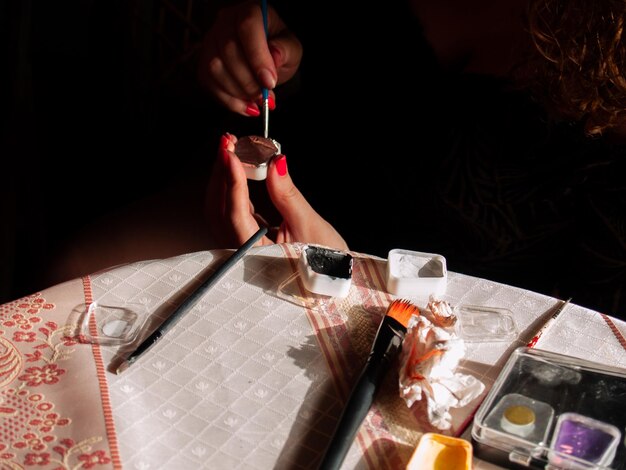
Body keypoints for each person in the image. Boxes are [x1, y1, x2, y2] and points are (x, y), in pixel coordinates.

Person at [199, 0, 626, 318]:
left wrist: (345, 283)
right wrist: (246, 38)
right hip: (223, 221)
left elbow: (588, 342)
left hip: (437, 332)